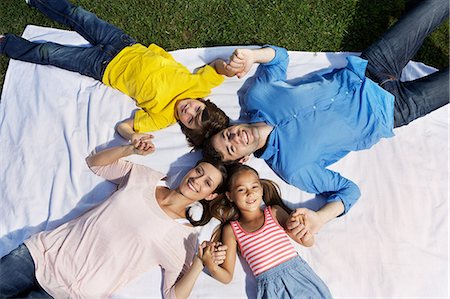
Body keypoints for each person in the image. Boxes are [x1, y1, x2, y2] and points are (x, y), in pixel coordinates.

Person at [203, 0, 449, 236]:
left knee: (436, 4)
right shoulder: (293, 168)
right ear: (243, 158)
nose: (234, 137)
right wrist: (320, 218)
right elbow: (348, 191)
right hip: (394, 109)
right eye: (232, 148)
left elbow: (279, 57)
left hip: (371, 66)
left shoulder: (257, 97)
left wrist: (253, 56)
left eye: (227, 135)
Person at [0, 142, 229, 299]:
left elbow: (173, 295)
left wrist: (199, 263)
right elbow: (96, 163)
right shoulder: (148, 178)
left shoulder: (182, 237)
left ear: (210, 196)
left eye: (207, 183)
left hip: (71, 293)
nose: (197, 180)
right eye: (198, 171)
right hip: (42, 254)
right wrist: (129, 149)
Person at [0, 0, 235, 149]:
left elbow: (125, 125)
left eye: (191, 120)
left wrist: (132, 137)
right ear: (203, 101)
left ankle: (6, 43)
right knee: (78, 15)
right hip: (123, 44)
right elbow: (217, 67)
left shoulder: (163, 118)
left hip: (103, 66)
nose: (189, 111)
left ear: (186, 128)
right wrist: (228, 68)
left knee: (49, 53)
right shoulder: (199, 86)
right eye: (197, 109)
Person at [198, 164, 332, 298]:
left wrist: (303, 231)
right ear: (230, 196)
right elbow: (227, 276)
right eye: (241, 190)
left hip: (298, 276)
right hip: (271, 288)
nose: (249, 193)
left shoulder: (274, 212)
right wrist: (211, 265)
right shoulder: (231, 230)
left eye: (254, 187)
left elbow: (308, 242)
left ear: (261, 189)